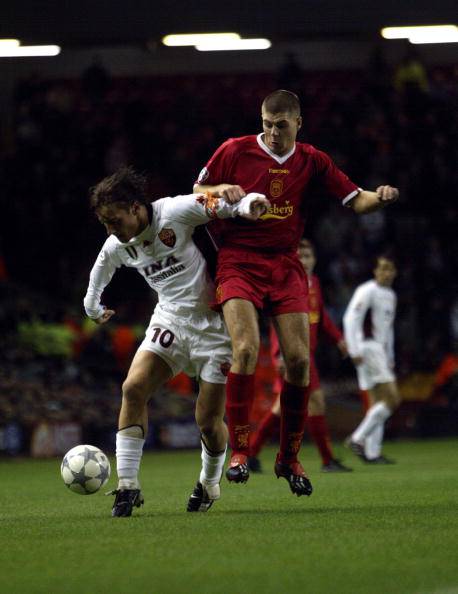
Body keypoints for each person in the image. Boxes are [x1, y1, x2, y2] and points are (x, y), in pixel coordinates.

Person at [194, 89, 399, 496]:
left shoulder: (312, 159)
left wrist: (382, 197)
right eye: (267, 124)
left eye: (281, 125)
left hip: (286, 265)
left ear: (298, 123)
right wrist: (224, 191)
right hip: (238, 260)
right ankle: (239, 451)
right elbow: (199, 191)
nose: (271, 133)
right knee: (247, 350)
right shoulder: (234, 150)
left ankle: (288, 458)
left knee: (300, 362)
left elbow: (356, 199)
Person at [83, 166, 269, 516]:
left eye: (114, 220)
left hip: (215, 329)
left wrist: (249, 205)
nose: (110, 230)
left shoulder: (175, 211)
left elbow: (219, 205)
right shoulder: (118, 244)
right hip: (170, 321)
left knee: (208, 422)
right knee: (133, 388)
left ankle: (209, 483)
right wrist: (92, 307)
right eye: (105, 223)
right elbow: (99, 275)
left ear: (136, 208)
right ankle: (127, 485)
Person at [249, 239, 352, 473]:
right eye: (300, 257)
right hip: (291, 356)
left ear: (314, 259)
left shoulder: (313, 282)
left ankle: (251, 454)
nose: (304, 261)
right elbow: (278, 323)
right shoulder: (286, 283)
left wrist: (339, 339)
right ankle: (327, 460)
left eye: (308, 256)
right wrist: (279, 354)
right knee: (316, 402)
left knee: (281, 408)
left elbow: (322, 316)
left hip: (306, 355)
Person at [343, 254, 400, 463]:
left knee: (378, 402)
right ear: (375, 271)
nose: (386, 273)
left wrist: (390, 355)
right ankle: (357, 438)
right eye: (383, 268)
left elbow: (389, 329)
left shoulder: (391, 295)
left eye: (390, 269)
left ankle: (372, 452)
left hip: (380, 351)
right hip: (367, 348)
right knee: (393, 399)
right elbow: (350, 318)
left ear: (395, 272)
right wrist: (354, 350)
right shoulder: (367, 290)